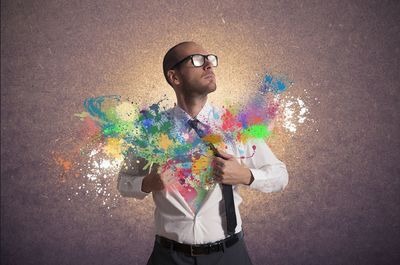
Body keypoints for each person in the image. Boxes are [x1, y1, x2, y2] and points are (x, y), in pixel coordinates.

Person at [117, 41, 289, 265]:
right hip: (168, 258)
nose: (209, 65)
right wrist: (147, 183)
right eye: (197, 60)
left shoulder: (236, 126)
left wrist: (246, 175)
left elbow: (281, 176)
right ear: (174, 77)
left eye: (210, 59)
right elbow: (123, 182)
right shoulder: (150, 130)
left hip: (230, 256)